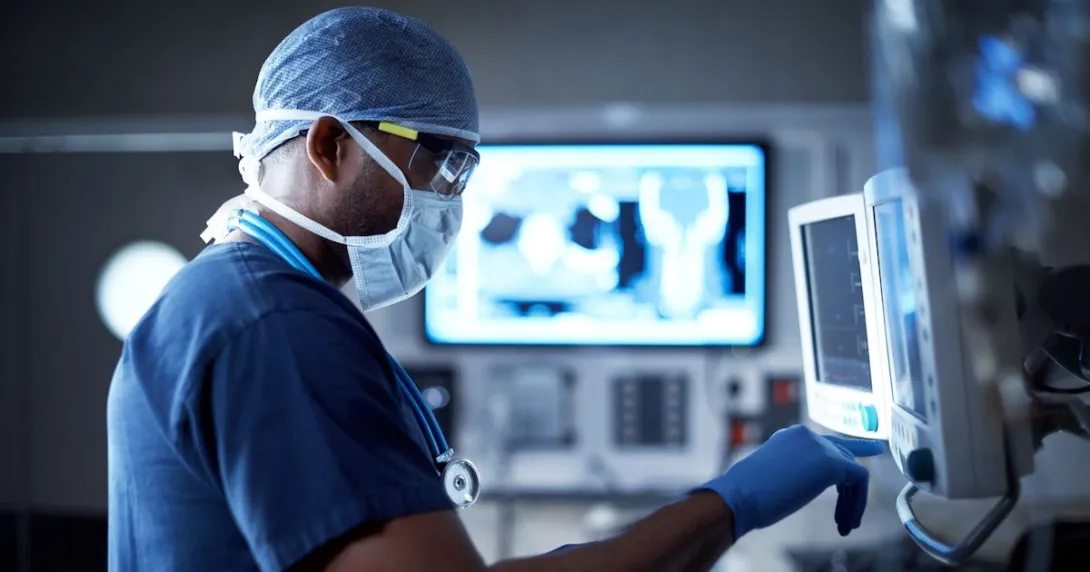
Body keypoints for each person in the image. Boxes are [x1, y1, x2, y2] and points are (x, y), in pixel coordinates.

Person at [106, 7, 885, 572]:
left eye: (466, 174)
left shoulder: (233, 300)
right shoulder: (274, 323)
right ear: (330, 143)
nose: (453, 202)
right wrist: (735, 504)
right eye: (442, 165)